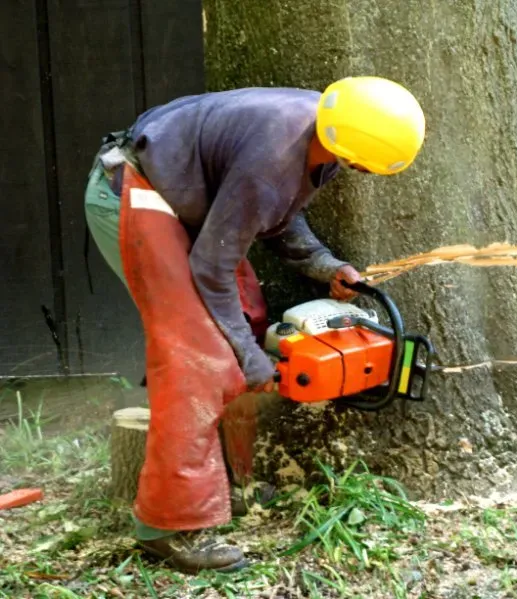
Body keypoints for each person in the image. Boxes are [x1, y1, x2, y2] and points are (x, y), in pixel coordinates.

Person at [83, 76, 426, 573]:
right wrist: (247, 356)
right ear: (352, 148)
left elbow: (278, 213)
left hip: (181, 195)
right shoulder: (277, 153)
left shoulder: (330, 125)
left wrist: (325, 266)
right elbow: (213, 266)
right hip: (135, 190)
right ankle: (169, 526)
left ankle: (229, 484)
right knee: (200, 353)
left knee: (241, 319)